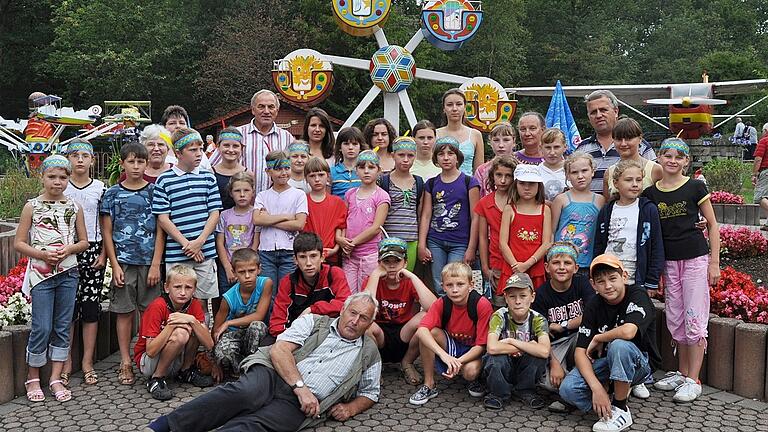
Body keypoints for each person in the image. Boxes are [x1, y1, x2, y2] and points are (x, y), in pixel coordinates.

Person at [147, 292, 382, 432]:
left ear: (370, 323)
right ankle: (167, 425)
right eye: (352, 313)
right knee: (245, 394)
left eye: (363, 318)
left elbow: (371, 392)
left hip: (304, 405)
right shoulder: (315, 322)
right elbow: (279, 350)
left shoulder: (369, 352)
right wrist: (300, 388)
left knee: (256, 425)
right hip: (274, 373)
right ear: (343, 310)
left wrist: (351, 408)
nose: (355, 321)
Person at [643, 138, 721, 403]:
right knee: (676, 317)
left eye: (679, 156)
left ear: (686, 161)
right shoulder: (651, 193)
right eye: (667, 155)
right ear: (660, 159)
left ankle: (693, 379)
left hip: (695, 260)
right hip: (669, 263)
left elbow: (711, 224)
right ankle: (682, 372)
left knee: (694, 317)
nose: (673, 161)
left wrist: (714, 263)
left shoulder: (695, 187)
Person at [15, 155, 89, 403]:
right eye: (52, 177)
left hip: (68, 273)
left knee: (62, 326)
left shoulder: (73, 207)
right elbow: (19, 243)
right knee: (42, 326)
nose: (57, 182)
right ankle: (32, 376)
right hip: (41, 275)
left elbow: (83, 241)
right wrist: (43, 254)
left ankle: (55, 377)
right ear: (43, 177)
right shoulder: (32, 206)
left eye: (63, 177)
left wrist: (68, 250)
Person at [559, 255, 660, 432]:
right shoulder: (593, 305)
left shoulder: (637, 294)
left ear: (624, 276)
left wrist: (598, 337)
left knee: (619, 345)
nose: (607, 286)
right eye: (601, 281)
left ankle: (621, 409)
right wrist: (597, 388)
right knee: (568, 389)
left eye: (613, 278)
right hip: (606, 363)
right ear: (593, 284)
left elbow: (629, 331)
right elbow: (580, 352)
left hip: (640, 362)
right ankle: (607, 402)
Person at [101, 142, 165, 386]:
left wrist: (156, 263)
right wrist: (114, 265)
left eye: (140, 161)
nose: (136, 166)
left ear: (147, 164)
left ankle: (146, 357)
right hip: (123, 263)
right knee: (124, 312)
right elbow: (107, 232)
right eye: (131, 161)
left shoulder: (154, 192)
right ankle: (125, 361)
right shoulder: (112, 194)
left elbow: (161, 229)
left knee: (150, 313)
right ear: (122, 164)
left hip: (149, 263)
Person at [153, 128, 222, 324]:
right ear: (178, 153)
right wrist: (188, 245)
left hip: (205, 252)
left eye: (200, 148)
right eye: (193, 150)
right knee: (177, 301)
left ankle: (198, 348)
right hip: (177, 253)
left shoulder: (208, 177)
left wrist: (199, 242)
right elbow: (163, 218)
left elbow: (214, 212)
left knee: (201, 301)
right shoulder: (165, 180)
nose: (199, 153)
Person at [408, 262, 493, 406]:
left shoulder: (481, 304)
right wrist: (444, 355)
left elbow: (481, 346)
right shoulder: (442, 302)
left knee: (470, 373)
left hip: (474, 349)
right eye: (449, 285)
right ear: (443, 286)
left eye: (460, 284)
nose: (454, 290)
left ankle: (476, 378)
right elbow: (421, 330)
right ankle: (429, 385)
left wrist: (457, 363)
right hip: (452, 345)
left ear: (471, 285)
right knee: (429, 333)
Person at [61, 139, 107, 386]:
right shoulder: (61, 187)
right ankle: (66, 362)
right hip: (67, 252)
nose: (80, 159)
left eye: (84, 155)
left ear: (92, 160)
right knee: (68, 308)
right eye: (75, 155)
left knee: (90, 308)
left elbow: (106, 224)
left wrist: (105, 255)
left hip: (93, 251)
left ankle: (87, 362)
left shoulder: (100, 188)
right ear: (68, 159)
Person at [134, 265, 214, 401]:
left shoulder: (194, 305)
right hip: (149, 362)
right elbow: (151, 351)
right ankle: (156, 379)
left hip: (175, 357)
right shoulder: (157, 306)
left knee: (196, 329)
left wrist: (192, 321)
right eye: (177, 287)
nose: (183, 292)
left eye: (188, 288)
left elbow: (209, 344)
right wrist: (171, 326)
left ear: (194, 289)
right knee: (181, 333)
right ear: (166, 287)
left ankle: (185, 371)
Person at [364, 238, 436, 385]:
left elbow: (434, 307)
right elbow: (364, 309)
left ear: (405, 263)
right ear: (379, 263)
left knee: (426, 317)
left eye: (396, 261)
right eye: (386, 261)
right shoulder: (373, 280)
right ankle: (375, 366)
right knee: (366, 324)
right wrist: (376, 275)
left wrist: (412, 276)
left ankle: (407, 363)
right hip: (380, 337)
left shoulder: (409, 282)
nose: (391, 266)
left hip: (404, 334)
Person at [531, 243, 595, 406]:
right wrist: (554, 363)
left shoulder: (582, 284)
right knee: (549, 383)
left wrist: (563, 325)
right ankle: (573, 387)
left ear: (575, 267)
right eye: (556, 263)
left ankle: (584, 383)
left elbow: (591, 316)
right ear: (546, 267)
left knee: (591, 344)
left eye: (567, 263)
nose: (561, 268)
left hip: (579, 336)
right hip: (555, 344)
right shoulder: (541, 294)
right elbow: (541, 335)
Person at [418, 137, 480, 293]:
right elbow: (426, 215)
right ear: (436, 158)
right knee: (439, 284)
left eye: (450, 153)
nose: (446, 158)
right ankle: (443, 315)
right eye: (441, 154)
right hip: (435, 241)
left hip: (460, 243)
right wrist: (422, 244)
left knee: (456, 282)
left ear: (457, 157)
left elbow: (475, 217)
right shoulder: (431, 183)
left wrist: (471, 248)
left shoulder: (469, 182)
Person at [594, 159, 664, 293]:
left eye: (638, 180)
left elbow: (656, 246)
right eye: (628, 180)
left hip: (635, 275)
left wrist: (652, 280)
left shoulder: (648, 209)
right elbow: (599, 244)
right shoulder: (607, 210)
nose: (634, 184)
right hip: (609, 271)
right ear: (616, 183)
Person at [483, 272, 550, 410]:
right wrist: (529, 346)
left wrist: (511, 342)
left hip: (524, 365)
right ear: (506, 298)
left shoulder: (538, 319)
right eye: (512, 297)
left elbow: (544, 351)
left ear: (532, 297)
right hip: (504, 364)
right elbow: (492, 347)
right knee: (494, 359)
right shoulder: (499, 315)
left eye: (523, 296)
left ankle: (525, 391)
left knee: (538, 358)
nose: (518, 301)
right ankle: (498, 394)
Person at [209, 90, 294, 194]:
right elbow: (211, 166)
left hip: (276, 202)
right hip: (242, 203)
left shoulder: (287, 138)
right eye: (261, 106)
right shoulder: (236, 135)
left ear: (277, 110)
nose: (266, 111)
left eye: (271, 107)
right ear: (253, 110)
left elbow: (294, 170)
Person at [269, 232, 352, 338]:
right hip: (296, 335)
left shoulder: (334, 274)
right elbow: (277, 322)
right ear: (295, 260)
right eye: (303, 257)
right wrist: (287, 338)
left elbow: (346, 305)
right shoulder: (288, 282)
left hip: (329, 334)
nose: (308, 263)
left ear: (322, 257)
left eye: (313, 256)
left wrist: (312, 310)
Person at [252, 150, 308, 304]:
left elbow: (299, 224)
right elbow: (257, 220)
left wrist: (269, 219)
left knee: (286, 292)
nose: (283, 173)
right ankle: (269, 326)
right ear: (268, 171)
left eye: (286, 168)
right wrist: (287, 216)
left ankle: (285, 325)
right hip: (266, 251)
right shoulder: (262, 196)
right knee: (268, 293)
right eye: (278, 169)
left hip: (289, 250)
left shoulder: (298, 194)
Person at [575, 90, 656, 193]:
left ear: (616, 111)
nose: (599, 115)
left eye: (603, 110)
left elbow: (656, 180)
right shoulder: (582, 149)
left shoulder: (640, 146)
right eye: (593, 112)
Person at [212, 248, 272, 376]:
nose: (247, 276)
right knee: (222, 354)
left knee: (257, 326)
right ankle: (238, 369)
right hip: (235, 334)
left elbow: (259, 316)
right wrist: (215, 362)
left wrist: (228, 323)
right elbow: (216, 330)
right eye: (241, 272)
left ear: (259, 269)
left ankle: (253, 364)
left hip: (256, 334)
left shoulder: (265, 283)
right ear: (234, 273)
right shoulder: (228, 298)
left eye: (251, 271)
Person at [339, 149, 391, 293]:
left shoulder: (381, 196)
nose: (366, 171)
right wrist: (342, 240)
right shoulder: (349, 194)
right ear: (356, 170)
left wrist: (352, 242)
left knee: (366, 294)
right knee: (348, 294)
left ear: (379, 170)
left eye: (371, 167)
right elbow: (343, 220)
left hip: (370, 255)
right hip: (349, 255)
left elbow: (376, 227)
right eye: (362, 167)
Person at [551, 152, 605, 278]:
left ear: (592, 171)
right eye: (574, 172)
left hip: (588, 263)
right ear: (567, 176)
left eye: (584, 171)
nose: (580, 176)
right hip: (562, 264)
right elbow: (551, 231)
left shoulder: (600, 200)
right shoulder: (561, 199)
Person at [499, 164, 552, 291]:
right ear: (516, 184)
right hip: (512, 267)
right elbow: (502, 243)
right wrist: (515, 265)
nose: (527, 188)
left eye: (532, 183)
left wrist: (528, 264)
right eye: (522, 183)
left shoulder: (545, 209)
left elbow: (546, 243)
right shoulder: (510, 209)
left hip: (535, 268)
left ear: (539, 185)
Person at [475, 155, 517, 307]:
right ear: (492, 176)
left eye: (508, 176)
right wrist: (485, 267)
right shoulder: (485, 203)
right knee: (499, 303)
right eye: (499, 175)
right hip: (496, 261)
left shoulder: (520, 200)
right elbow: (482, 236)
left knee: (519, 302)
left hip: (518, 260)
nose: (503, 180)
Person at [379, 136, 424, 272]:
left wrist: (422, 242)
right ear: (393, 155)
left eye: (410, 156)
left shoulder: (419, 182)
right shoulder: (383, 181)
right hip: (388, 240)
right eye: (401, 155)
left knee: (405, 277)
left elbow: (420, 214)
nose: (405, 159)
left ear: (415, 157)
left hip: (411, 240)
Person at [215, 172, 257, 315]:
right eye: (237, 191)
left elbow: (256, 242)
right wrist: (227, 267)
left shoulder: (256, 214)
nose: (242, 194)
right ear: (231, 193)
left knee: (250, 300)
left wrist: (250, 265)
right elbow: (220, 242)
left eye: (246, 190)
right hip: (228, 266)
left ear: (253, 192)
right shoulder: (224, 215)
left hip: (248, 266)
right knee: (227, 299)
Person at [602, 118, 662, 200]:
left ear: (640, 139)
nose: (623, 144)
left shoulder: (655, 170)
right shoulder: (609, 173)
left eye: (628, 139)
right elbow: (607, 205)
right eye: (619, 139)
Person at [303, 158, 347, 267]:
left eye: (321, 175)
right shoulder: (302, 201)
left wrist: (335, 249)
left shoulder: (338, 202)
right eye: (312, 176)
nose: (317, 179)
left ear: (327, 176)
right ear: (306, 179)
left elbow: (341, 228)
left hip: (331, 256)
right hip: (308, 256)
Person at [437, 88, 485, 175]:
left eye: (459, 104)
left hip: (468, 186)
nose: (454, 108)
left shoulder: (475, 135)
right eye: (450, 105)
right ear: (444, 108)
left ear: (465, 107)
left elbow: (479, 172)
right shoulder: (435, 134)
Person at [160, 105, 213, 171]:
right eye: (172, 123)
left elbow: (210, 174)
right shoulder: (159, 151)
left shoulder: (198, 152)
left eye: (182, 123)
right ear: (164, 127)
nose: (178, 126)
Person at [475, 121, 516, 197]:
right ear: (490, 142)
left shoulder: (521, 168)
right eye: (496, 140)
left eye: (506, 140)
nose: (501, 145)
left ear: (513, 141)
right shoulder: (482, 171)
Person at [211, 127, 247, 211]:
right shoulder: (210, 173)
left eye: (235, 146)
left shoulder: (248, 174)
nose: (231, 150)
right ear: (218, 147)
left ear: (241, 148)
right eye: (226, 145)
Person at [331, 127, 366, 198]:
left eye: (355, 144)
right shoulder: (331, 172)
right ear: (340, 147)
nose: (350, 147)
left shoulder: (366, 171)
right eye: (346, 144)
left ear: (360, 147)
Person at [539, 128, 568, 202]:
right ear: (541, 148)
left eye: (556, 147)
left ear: (565, 147)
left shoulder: (572, 170)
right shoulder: (536, 172)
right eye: (548, 147)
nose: (552, 152)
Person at [752, 122, 768, 229]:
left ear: (766, 131)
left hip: (766, 172)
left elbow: (758, 159)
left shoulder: (764, 141)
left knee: (759, 197)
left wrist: (754, 174)